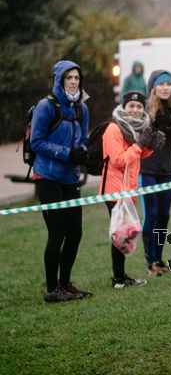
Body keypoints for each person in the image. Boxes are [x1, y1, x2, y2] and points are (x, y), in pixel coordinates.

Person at [31, 60, 91, 302]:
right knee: (57, 233)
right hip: (47, 176)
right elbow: (36, 142)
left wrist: (83, 151)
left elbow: (83, 138)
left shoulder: (81, 109)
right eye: (69, 78)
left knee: (75, 232)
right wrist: (67, 153)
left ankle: (65, 283)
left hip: (70, 177)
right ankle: (51, 288)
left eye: (77, 78)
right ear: (59, 80)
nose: (74, 82)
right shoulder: (45, 107)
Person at [100, 91, 165, 289]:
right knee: (120, 234)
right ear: (124, 107)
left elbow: (136, 155)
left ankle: (120, 276)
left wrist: (150, 147)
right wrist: (140, 145)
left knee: (124, 233)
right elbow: (119, 159)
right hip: (114, 189)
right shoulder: (114, 128)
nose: (135, 110)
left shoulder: (135, 128)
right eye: (131, 106)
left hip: (128, 189)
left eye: (139, 107)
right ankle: (119, 278)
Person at [140, 70, 171, 276]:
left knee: (164, 215)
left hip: (168, 170)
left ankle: (158, 257)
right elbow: (141, 140)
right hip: (148, 168)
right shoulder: (145, 111)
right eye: (161, 84)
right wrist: (155, 123)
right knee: (151, 214)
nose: (166, 87)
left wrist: (170, 125)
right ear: (154, 88)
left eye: (169, 84)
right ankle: (150, 261)